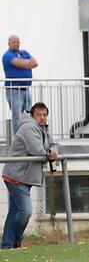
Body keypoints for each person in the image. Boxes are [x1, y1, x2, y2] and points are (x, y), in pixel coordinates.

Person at [2, 102, 56, 249]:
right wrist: (49, 154)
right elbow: (36, 149)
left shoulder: (44, 129)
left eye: (45, 115)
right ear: (32, 115)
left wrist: (52, 150)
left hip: (25, 177)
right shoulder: (28, 127)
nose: (43, 118)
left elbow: (53, 144)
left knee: (14, 212)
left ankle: (7, 247)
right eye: (39, 115)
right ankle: (16, 241)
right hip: (16, 176)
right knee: (25, 211)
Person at [3, 36, 37, 134]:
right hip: (14, 90)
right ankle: (17, 139)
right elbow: (21, 64)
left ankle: (27, 136)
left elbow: (34, 63)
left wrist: (27, 63)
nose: (16, 44)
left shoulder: (24, 53)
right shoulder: (7, 55)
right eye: (13, 42)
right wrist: (27, 63)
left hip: (26, 89)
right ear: (8, 43)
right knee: (17, 116)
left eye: (17, 42)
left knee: (29, 115)